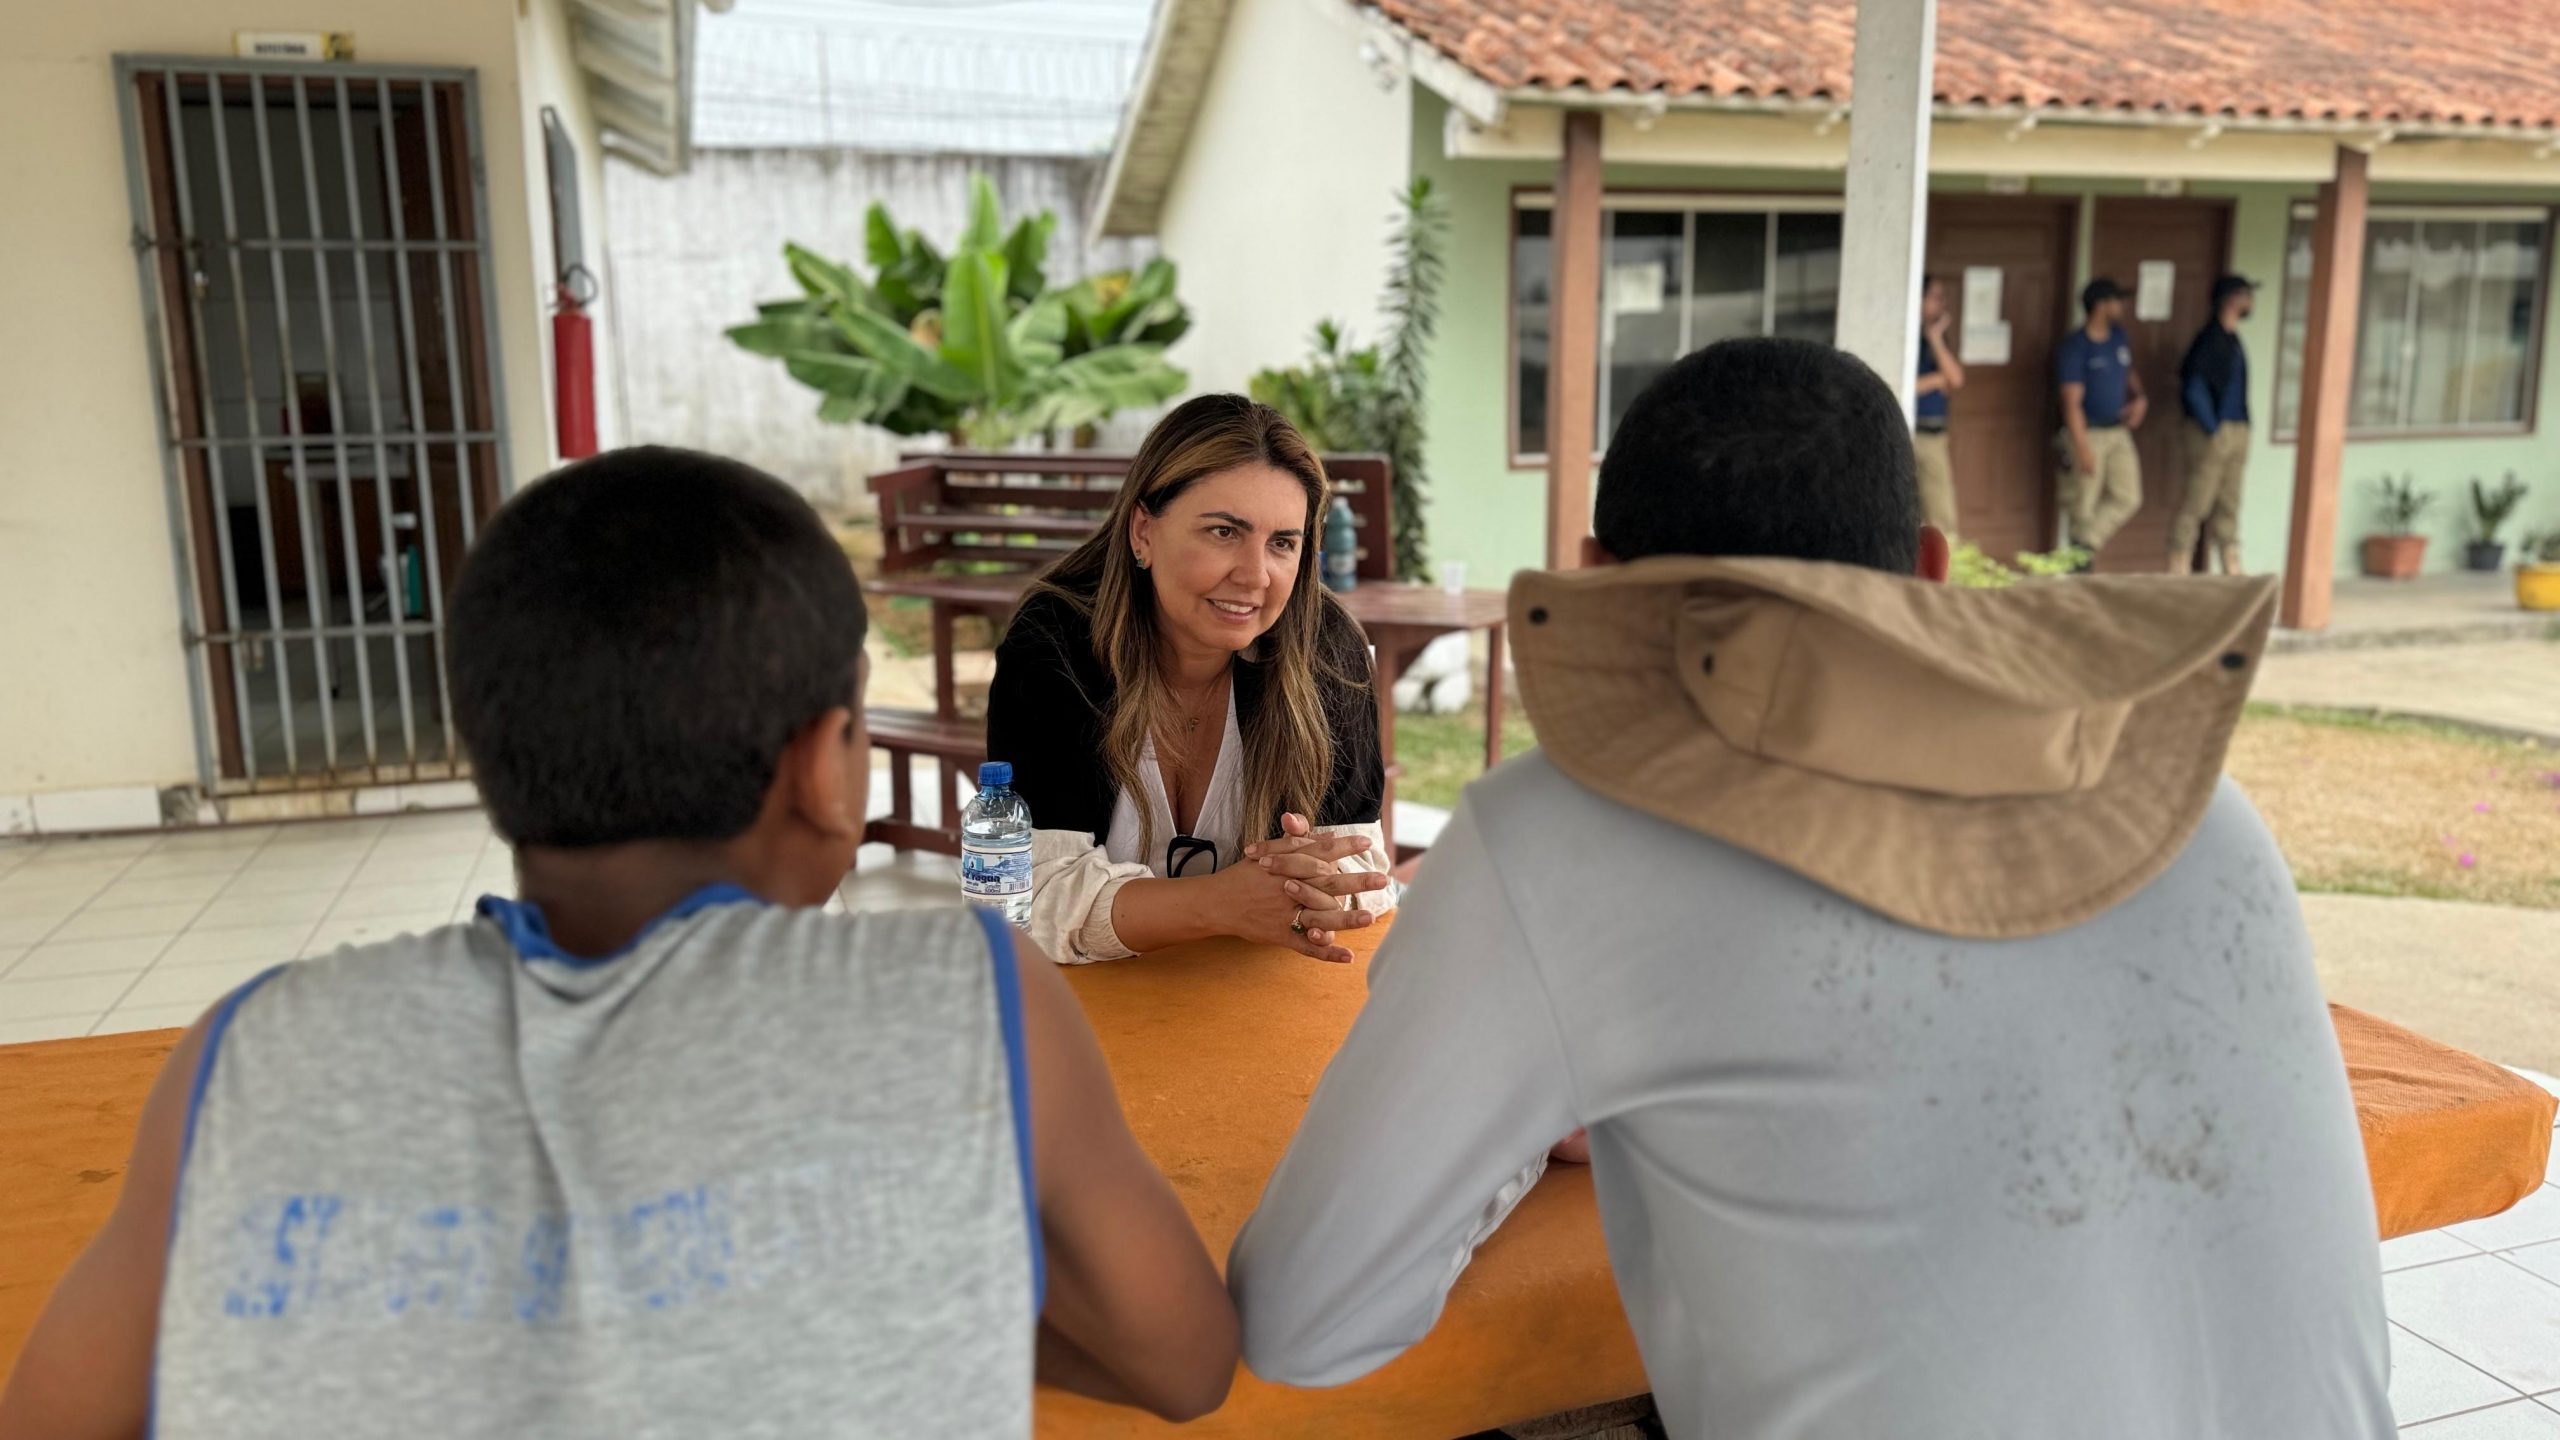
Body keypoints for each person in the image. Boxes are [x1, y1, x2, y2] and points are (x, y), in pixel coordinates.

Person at [1227, 339, 2390, 1439]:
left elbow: (1306, 1317)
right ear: (1928, 566)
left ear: (1593, 574)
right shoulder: (2196, 808)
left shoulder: (1566, 833)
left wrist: (1557, 1107)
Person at [0, 448, 1238, 1438]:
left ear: (491, 759)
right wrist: (886, 1270)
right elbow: (1185, 1363)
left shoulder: (247, 1052)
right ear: (823, 769)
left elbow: (54, 1416)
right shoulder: (965, 994)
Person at [987, 395, 1395, 966]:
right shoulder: (1056, 645)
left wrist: (1312, 882)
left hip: (1248, 990)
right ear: (1143, 531)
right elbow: (1020, 898)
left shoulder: (1324, 649)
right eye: (1224, 532)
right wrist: (1220, 903)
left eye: (1283, 543)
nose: (1255, 576)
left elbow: (1363, 871)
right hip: (1088, 997)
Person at [2057, 276, 2149, 560]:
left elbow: (2128, 370)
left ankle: (2085, 545)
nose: (2121, 306)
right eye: (2117, 301)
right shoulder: (2076, 346)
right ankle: (2078, 562)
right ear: (2101, 305)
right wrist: (2082, 447)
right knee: (2083, 504)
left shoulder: (2119, 337)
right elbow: (2071, 402)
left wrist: (2139, 398)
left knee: (2129, 496)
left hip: (2117, 430)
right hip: (2089, 431)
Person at [2174, 274, 2257, 576]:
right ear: (2231, 300)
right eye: (2246, 296)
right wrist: (2212, 427)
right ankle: (2179, 560)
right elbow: (2194, 387)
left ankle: (2230, 560)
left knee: (2230, 499)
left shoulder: (2234, 340)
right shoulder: (2209, 341)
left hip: (2238, 427)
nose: (2250, 302)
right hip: (2213, 430)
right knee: (2198, 498)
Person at [1912, 272, 1966, 535]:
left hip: (1934, 435)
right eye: (1935, 297)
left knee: (1940, 513)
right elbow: (1904, 386)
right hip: (1910, 431)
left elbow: (1955, 379)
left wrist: (1934, 337)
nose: (1941, 303)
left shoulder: (1934, 340)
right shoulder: (1906, 335)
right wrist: (1935, 380)